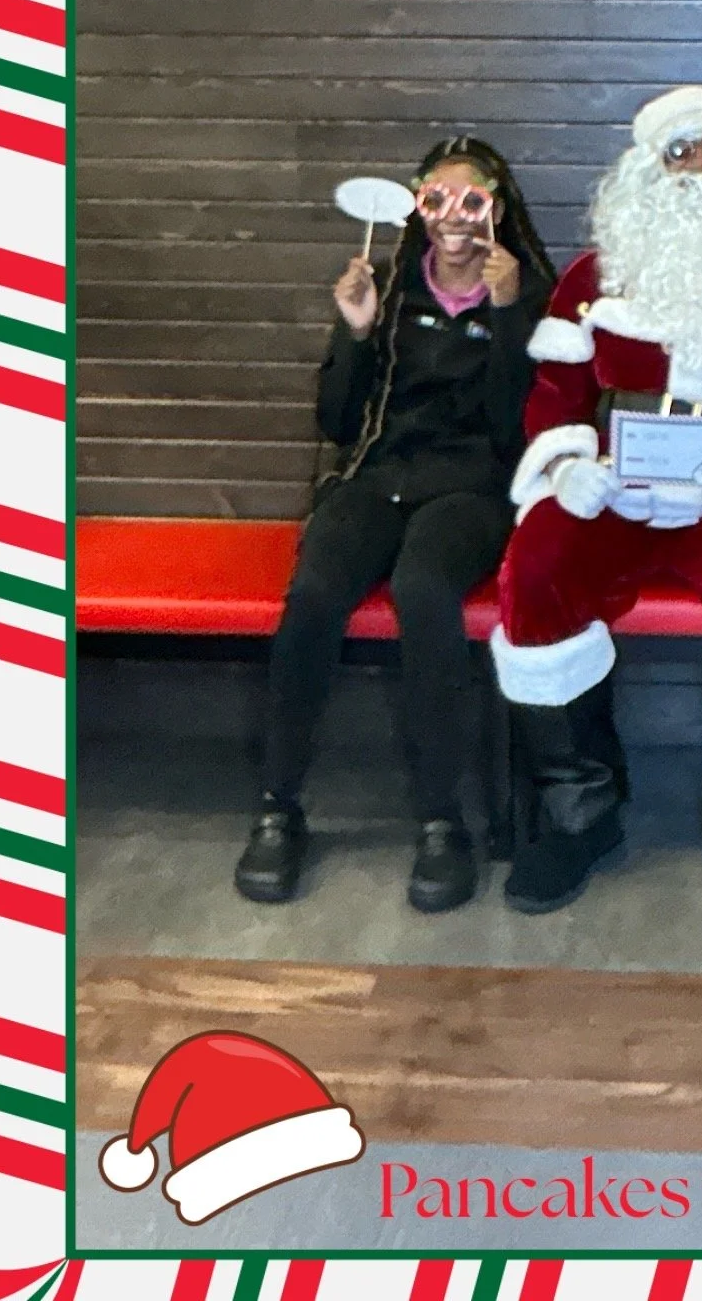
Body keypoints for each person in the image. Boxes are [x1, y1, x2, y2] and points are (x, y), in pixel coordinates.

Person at [493, 86, 702, 924]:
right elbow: (554, 394)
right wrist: (569, 466)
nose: (695, 169)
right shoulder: (591, 275)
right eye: (678, 153)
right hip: (614, 494)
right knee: (535, 567)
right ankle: (580, 811)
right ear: (645, 170)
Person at [233, 135, 554, 914]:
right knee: (312, 597)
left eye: (472, 201)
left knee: (424, 590)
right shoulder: (387, 287)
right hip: (378, 479)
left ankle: (444, 822)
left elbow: (521, 435)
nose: (455, 218)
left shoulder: (528, 297)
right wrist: (354, 333)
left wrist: (509, 319)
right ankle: (279, 804)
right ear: (417, 206)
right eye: (436, 199)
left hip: (472, 491)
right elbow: (339, 423)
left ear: (497, 212)